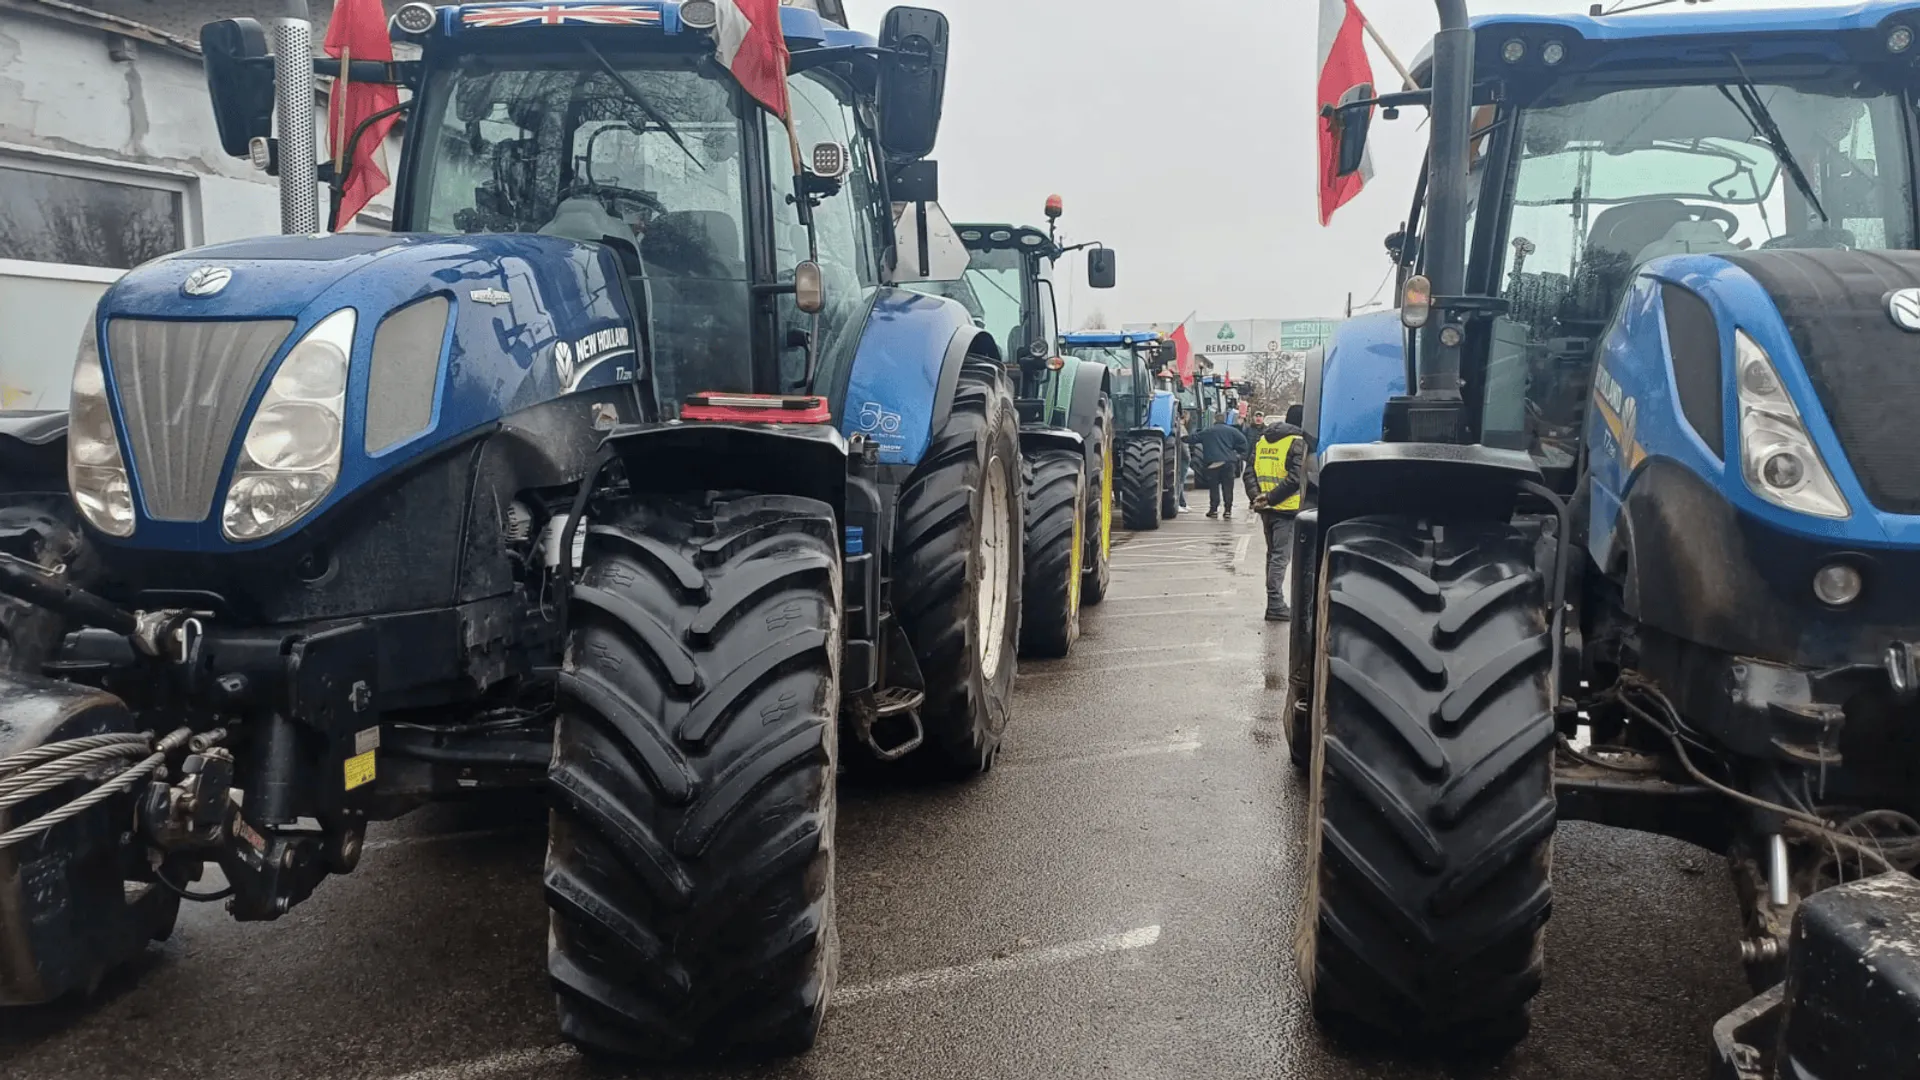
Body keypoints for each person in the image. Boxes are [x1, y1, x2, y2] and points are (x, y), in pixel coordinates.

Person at [1246, 404, 1311, 620]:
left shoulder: (1262, 440)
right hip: (1286, 509)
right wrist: (1271, 498)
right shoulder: (1297, 442)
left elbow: (1249, 472)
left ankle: (1273, 602)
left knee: (1272, 556)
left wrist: (1258, 497)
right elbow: (1295, 479)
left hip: (1266, 510)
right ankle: (1275, 605)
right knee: (1280, 559)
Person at [1187, 415, 1249, 518]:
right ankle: (1228, 510)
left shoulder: (1208, 431)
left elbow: (1192, 439)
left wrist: (1183, 434)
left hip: (1213, 464)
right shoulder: (1233, 431)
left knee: (1214, 487)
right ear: (1225, 420)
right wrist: (1238, 454)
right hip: (1228, 463)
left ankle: (1214, 510)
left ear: (1214, 420)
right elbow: (1243, 442)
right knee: (1228, 487)